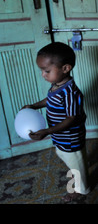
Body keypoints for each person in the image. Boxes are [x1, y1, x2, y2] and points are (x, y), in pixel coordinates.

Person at [23, 42, 90, 203]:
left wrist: (47, 131)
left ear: (65, 68)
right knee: (68, 157)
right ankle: (79, 167)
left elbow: (71, 118)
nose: (43, 75)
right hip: (60, 136)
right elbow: (50, 100)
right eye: (42, 71)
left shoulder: (70, 93)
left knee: (76, 165)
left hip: (70, 137)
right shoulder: (56, 86)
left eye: (46, 71)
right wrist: (35, 105)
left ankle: (81, 190)